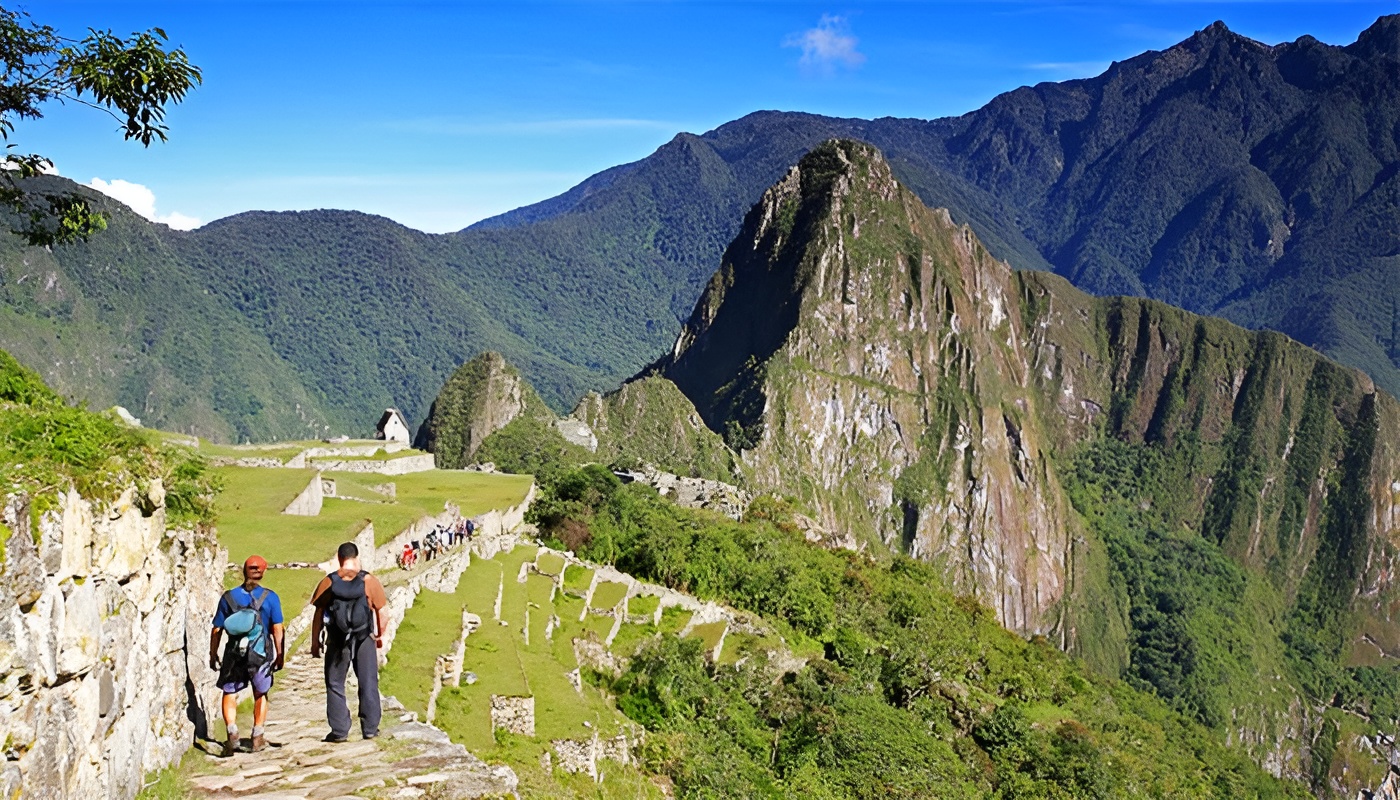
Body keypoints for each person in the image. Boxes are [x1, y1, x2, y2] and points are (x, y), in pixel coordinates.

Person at [310, 542, 389, 742]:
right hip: (363, 637)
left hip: (337, 639)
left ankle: (339, 730)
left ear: (339, 558)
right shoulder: (368, 581)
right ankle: (370, 727)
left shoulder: (328, 582)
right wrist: (379, 635)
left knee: (335, 683)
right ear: (356, 557)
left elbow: (318, 613)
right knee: (368, 681)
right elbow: (382, 611)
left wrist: (315, 641)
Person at [209, 555, 285, 756]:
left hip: (234, 655)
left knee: (230, 692)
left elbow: (217, 629)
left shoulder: (228, 598)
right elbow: (277, 628)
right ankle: (257, 735)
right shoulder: (270, 598)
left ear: (243, 572)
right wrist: (280, 654)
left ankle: (232, 731)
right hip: (259, 655)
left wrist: (212, 654)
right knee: (260, 693)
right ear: (263, 572)